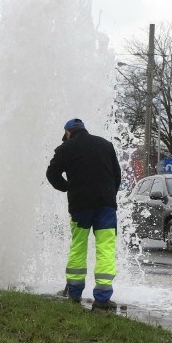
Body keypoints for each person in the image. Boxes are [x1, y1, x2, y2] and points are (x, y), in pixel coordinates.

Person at [46, 118, 121, 310]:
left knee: (78, 246)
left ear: (68, 133)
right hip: (106, 205)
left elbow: (52, 174)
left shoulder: (65, 149)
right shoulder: (105, 145)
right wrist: (109, 195)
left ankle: (74, 294)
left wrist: (68, 188)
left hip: (80, 206)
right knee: (106, 247)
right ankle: (103, 299)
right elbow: (117, 175)